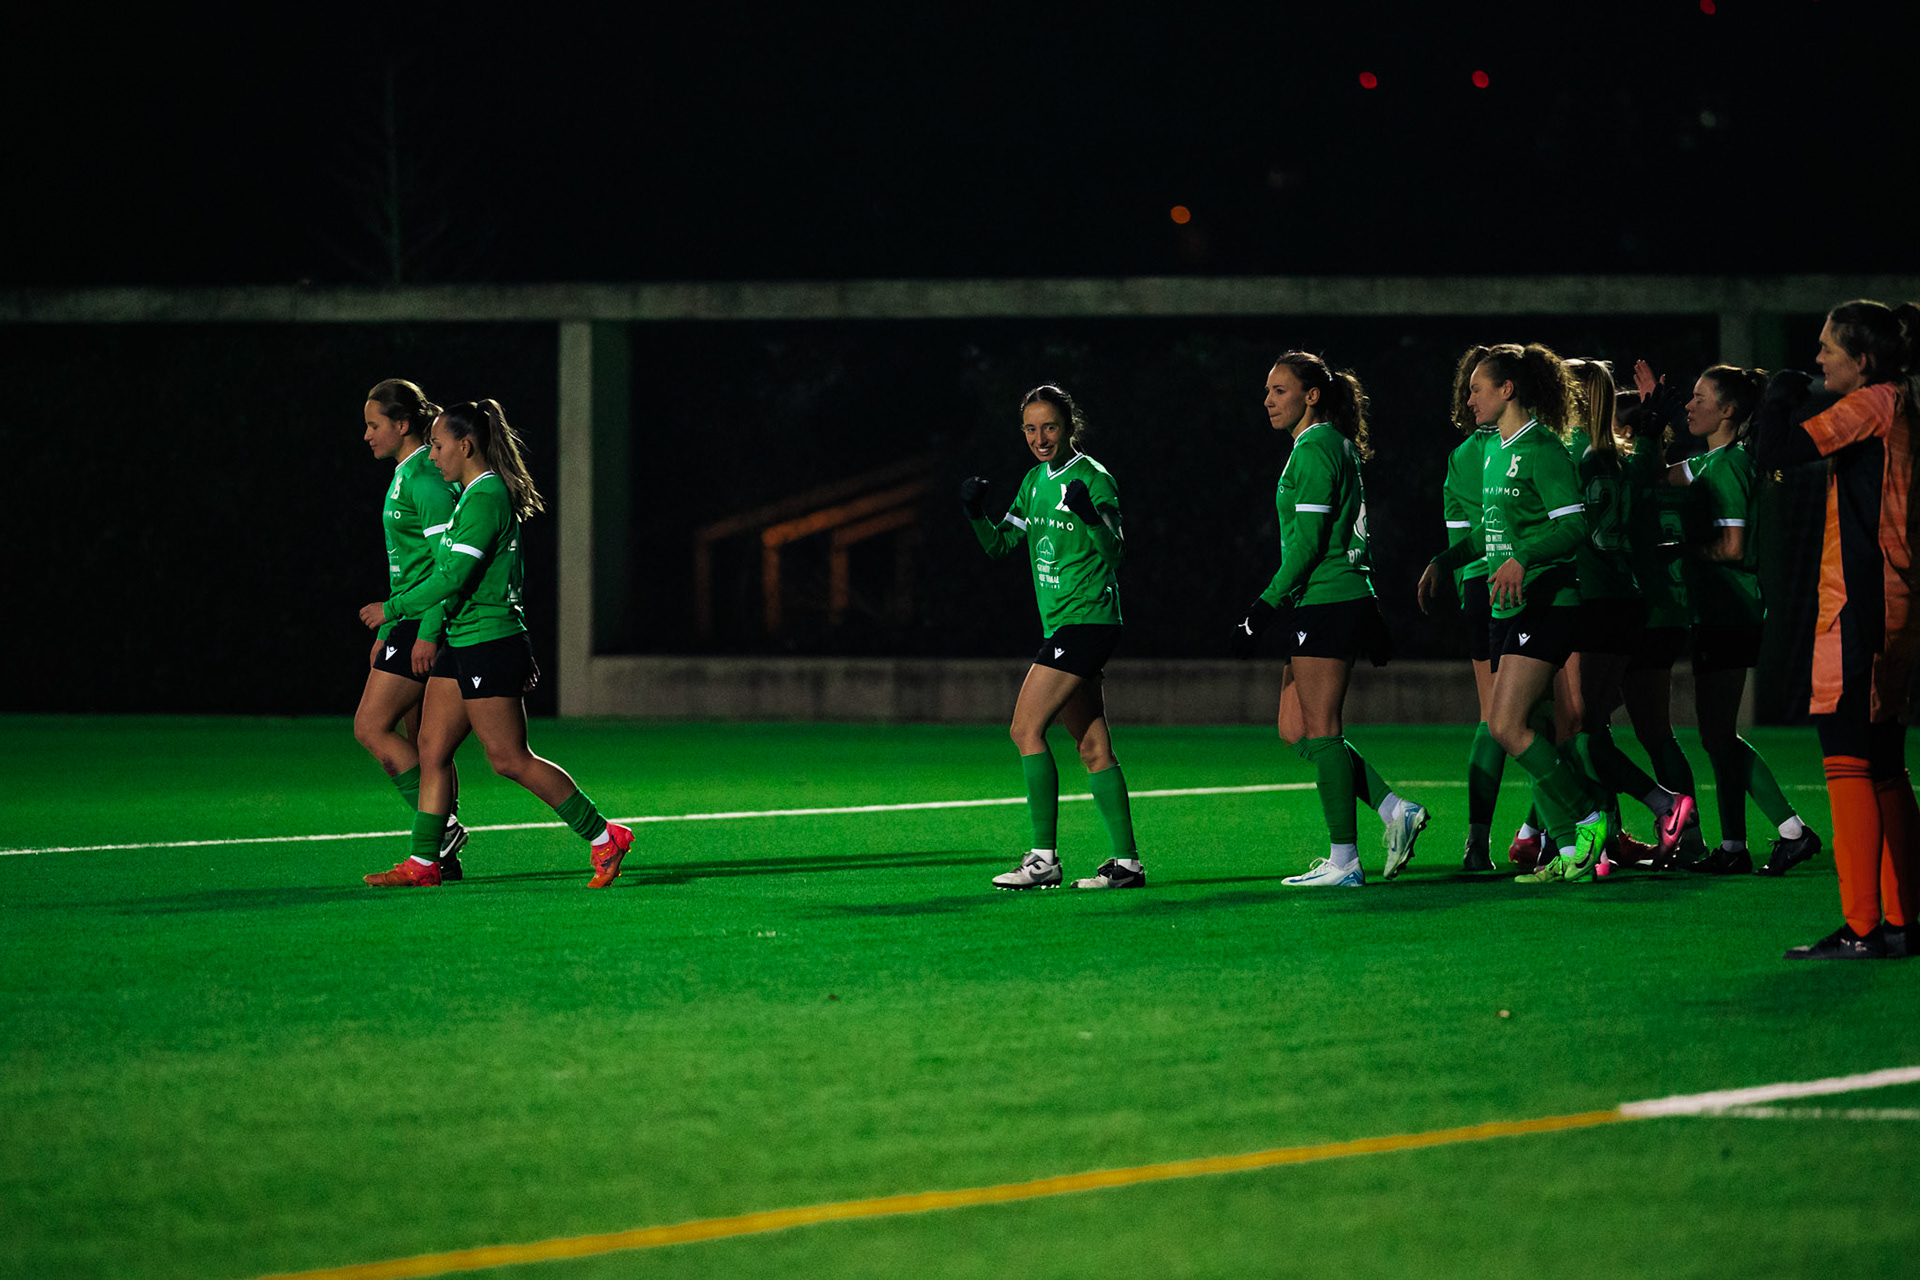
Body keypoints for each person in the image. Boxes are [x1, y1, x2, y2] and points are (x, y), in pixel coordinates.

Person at [357, 400, 632, 888]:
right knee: (432, 747)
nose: (433, 454)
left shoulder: (486, 497)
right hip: (462, 640)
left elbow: (453, 574)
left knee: (508, 758)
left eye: (439, 446)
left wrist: (392, 611)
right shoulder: (468, 494)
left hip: (490, 640)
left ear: (465, 446)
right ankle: (425, 863)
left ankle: (603, 835)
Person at [1754, 300, 1920, 959]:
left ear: (1866, 359)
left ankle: (1861, 928)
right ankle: (1905, 922)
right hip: (1893, 601)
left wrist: (1775, 401)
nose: (1818, 357)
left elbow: (1779, 451)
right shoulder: (1899, 401)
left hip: (1865, 601)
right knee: (1883, 761)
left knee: (1848, 755)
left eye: (1829, 348)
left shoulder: (1876, 402)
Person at [1418, 343, 1613, 883]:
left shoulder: (1543, 449)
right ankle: (1572, 846)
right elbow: (1492, 530)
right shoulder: (1497, 450)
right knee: (1521, 728)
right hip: (1513, 608)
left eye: (1478, 387)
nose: (1470, 397)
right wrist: (1446, 559)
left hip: (1551, 603)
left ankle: (1588, 823)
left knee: (1507, 725)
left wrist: (1524, 559)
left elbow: (1574, 526)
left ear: (1507, 390)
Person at [1232, 351, 1427, 887]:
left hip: (1326, 598)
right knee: (1295, 728)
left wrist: (1263, 607)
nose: (1268, 400)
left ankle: (1345, 862)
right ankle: (1394, 811)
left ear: (1310, 395)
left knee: (1322, 729)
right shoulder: (1329, 446)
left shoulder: (1315, 449)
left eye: (1279, 390)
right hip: (1331, 599)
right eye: (1268, 391)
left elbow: (1313, 543)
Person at [961, 384, 1143, 891]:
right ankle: (1125, 864)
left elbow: (1115, 554)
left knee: (1024, 729)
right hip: (1064, 624)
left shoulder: (1093, 478)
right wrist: (976, 514)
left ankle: (1043, 859)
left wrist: (1089, 516)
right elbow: (1001, 545)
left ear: (1068, 428)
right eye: (1030, 428)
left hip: (1088, 619)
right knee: (1092, 747)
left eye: (1050, 427)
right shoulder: (1033, 481)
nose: (1040, 437)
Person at [1650, 362, 1820, 876]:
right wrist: (1650, 421)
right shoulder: (1708, 463)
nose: (1690, 405)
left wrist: (1676, 550)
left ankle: (1792, 831)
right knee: (1717, 734)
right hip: (1719, 611)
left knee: (1719, 734)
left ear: (1728, 411)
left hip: (1731, 611)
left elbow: (1731, 547)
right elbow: (1654, 478)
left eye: (1701, 398)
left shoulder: (1727, 466)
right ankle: (1733, 847)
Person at [1561, 359, 1696, 875]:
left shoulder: (1567, 454)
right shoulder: (1625, 457)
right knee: (1586, 726)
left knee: (1577, 729)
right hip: (1625, 601)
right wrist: (1656, 426)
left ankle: (1659, 807)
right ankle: (1604, 836)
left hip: (1591, 599)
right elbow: (1647, 471)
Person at [351, 379, 469, 879]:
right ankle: (442, 851)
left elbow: (449, 563)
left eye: (373, 425)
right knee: (424, 741)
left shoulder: (424, 477)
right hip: (411, 618)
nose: (366, 435)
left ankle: (441, 831)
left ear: (402, 426)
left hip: (428, 620)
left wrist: (423, 630)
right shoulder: (409, 472)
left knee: (371, 726)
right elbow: (413, 560)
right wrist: (393, 622)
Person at [1617, 377, 1708, 864]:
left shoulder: (1634, 487)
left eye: (1618, 431)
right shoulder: (1678, 481)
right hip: (1671, 615)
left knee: (1581, 728)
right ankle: (1689, 842)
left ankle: (1589, 837)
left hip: (1639, 616)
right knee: (1655, 733)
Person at [1439, 346, 1508, 871]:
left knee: (1497, 716)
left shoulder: (1462, 457)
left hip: (1478, 588)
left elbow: (1467, 540)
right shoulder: (1532, 444)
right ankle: (1567, 835)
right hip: (1525, 582)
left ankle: (1479, 843)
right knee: (1562, 720)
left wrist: (1447, 563)